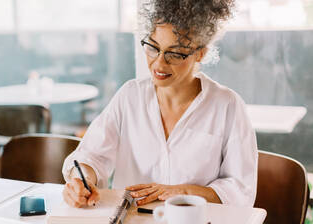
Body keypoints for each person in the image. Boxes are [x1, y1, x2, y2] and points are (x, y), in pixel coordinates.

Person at [62, 0, 258, 208]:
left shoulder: (227, 105)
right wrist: (80, 180)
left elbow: (240, 189)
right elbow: (92, 155)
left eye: (174, 53)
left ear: (201, 52)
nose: (159, 63)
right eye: (153, 48)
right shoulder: (130, 96)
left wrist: (181, 191)